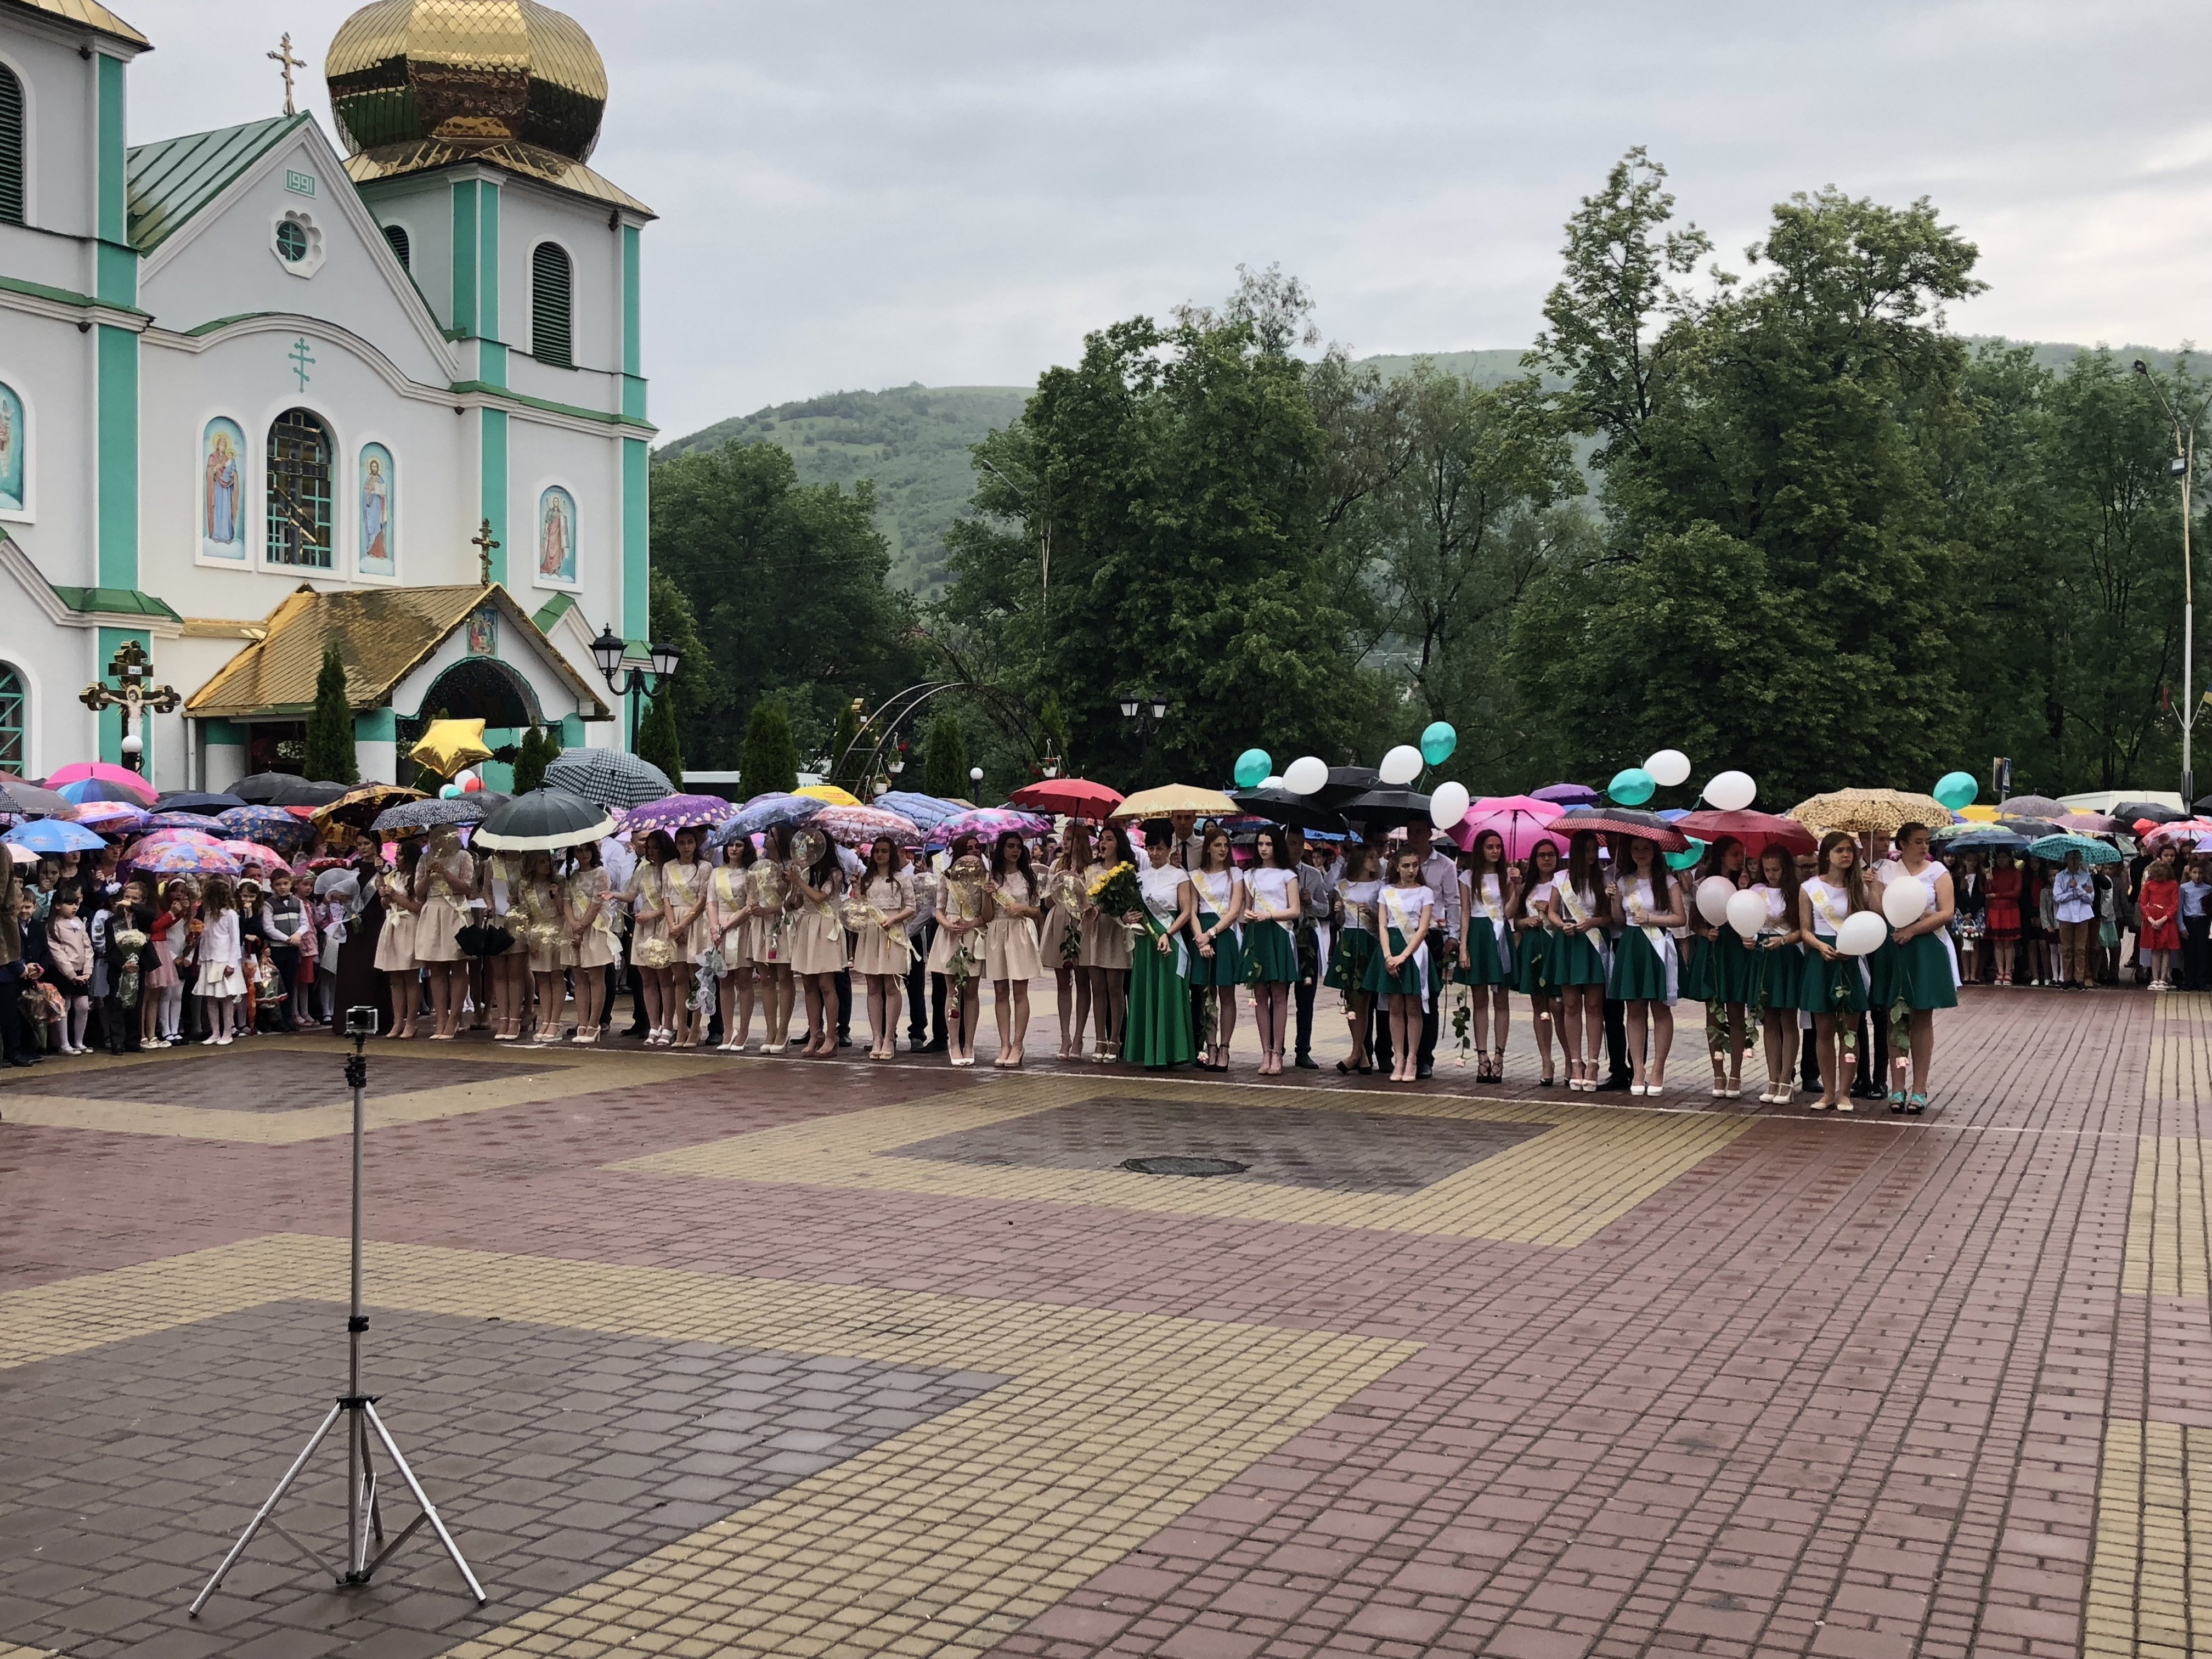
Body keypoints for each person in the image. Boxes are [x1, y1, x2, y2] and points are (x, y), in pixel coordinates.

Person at [1883, 822, 1957, 1114]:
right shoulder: (1886, 871)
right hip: (1893, 946)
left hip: (1926, 947)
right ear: (1901, 844)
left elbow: (1947, 912)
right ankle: (1897, 1088)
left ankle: (1919, 1089)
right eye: (1917, 842)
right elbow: (1879, 908)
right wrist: (1871, 887)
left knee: (1922, 1017)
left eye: (1927, 841)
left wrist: (1914, 929)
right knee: (1895, 1017)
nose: (1924, 847)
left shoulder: (1938, 871)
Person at [1798, 831, 1874, 1110]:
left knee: (1850, 1032)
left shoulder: (1859, 887)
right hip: (1823, 958)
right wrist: (1820, 946)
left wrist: (1874, 888)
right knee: (1824, 1031)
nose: (1846, 855)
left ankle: (1845, 1093)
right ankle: (1828, 1092)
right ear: (1826, 855)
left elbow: (1874, 917)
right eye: (1840, 850)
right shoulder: (1809, 888)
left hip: (1850, 957)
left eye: (1850, 851)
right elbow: (1805, 929)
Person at [1605, 836, 1681, 1096]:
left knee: (1661, 1010)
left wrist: (1651, 917)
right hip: (1631, 946)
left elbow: (1680, 918)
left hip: (1657, 946)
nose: (1640, 853)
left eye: (1646, 848)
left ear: (1655, 851)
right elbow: (1617, 920)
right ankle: (1638, 1069)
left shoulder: (1668, 882)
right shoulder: (1624, 882)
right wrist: (1615, 899)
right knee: (1634, 1010)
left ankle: (1658, 1068)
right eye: (1636, 849)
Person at [1121, 819, 1196, 1068]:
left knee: (1170, 991)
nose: (1154, 854)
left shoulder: (1179, 875)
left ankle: (1172, 1052)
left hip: (1170, 938)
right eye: (1151, 848)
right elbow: (1131, 910)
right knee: (1147, 991)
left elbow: (1186, 911)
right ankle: (1149, 1052)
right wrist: (1126, 917)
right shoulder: (1138, 877)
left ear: (1168, 848)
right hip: (1146, 941)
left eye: (1160, 849)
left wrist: (1168, 933)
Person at [1543, 831, 1610, 1092]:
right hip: (1569, 943)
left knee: (1594, 1005)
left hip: (1594, 942)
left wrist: (1592, 922)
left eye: (1595, 850)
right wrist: (1562, 925)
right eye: (1588, 850)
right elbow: (1552, 911)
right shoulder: (1561, 878)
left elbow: (1610, 918)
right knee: (1570, 1005)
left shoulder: (1604, 878)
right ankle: (1576, 1062)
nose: (1593, 855)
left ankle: (1593, 1064)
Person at [1692, 837, 1757, 1098]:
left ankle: (1736, 1074)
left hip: (1739, 950)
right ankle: (1718, 1073)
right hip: (1714, 950)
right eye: (1733, 854)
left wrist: (1744, 890)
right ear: (1720, 856)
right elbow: (1694, 921)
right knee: (1714, 1012)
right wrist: (1705, 932)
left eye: (1742, 853)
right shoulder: (1706, 884)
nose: (1739, 859)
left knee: (1737, 1011)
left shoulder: (1751, 883)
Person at [1368, 847, 1436, 1084]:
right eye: (1406, 866)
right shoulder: (1386, 892)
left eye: (1415, 865)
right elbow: (1383, 926)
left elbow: (1424, 928)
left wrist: (1403, 957)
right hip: (1391, 948)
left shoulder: (1425, 892)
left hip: (1414, 952)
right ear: (1397, 866)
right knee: (1394, 1007)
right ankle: (1398, 1058)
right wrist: (1388, 956)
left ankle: (1413, 1059)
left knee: (1413, 1007)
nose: (1410, 870)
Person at [1456, 828, 1517, 1084]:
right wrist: (1463, 947)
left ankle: (1499, 1057)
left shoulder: (1508, 876)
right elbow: (1466, 913)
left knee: (1501, 1000)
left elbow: (1510, 912)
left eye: (1499, 847)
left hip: (1501, 934)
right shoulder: (1468, 877)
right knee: (1479, 1000)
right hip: (1479, 936)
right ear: (1480, 849)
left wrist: (1518, 887)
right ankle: (1482, 1058)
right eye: (1490, 847)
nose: (1495, 851)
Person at [1242, 826, 1302, 1077]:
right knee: (1259, 996)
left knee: (1279, 996)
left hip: (1278, 934)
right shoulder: (1250, 875)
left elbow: (1295, 911)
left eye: (1268, 844)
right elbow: (1246, 909)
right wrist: (1247, 915)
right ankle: (1265, 1051)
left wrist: (1269, 914)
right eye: (1260, 844)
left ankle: (1278, 1052)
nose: (1264, 848)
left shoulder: (1288, 875)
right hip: (1257, 935)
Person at [1747, 846, 1805, 1104]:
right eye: (1767, 869)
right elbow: (1745, 921)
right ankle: (1772, 1079)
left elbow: (1804, 929)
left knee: (1787, 1018)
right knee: (1769, 1018)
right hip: (1762, 955)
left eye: (1777, 870)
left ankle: (1786, 1079)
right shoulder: (1754, 891)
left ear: (1786, 868)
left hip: (1788, 954)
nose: (1772, 875)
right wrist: (1745, 938)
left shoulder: (1796, 892)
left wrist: (1784, 941)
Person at [1186, 826, 1245, 1072]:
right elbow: (1192, 910)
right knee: (1207, 993)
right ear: (1208, 848)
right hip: (1202, 932)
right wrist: (1200, 937)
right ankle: (1210, 1046)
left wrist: (1211, 935)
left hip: (1224, 932)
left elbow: (1234, 911)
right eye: (1218, 845)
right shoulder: (1195, 875)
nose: (1223, 849)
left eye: (1225, 845)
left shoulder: (1236, 874)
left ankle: (1225, 1047)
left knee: (1227, 993)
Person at [850, 836, 915, 1060]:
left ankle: (890, 1037)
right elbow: (860, 906)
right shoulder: (867, 879)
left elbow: (912, 907)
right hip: (871, 931)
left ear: (892, 853)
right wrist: (857, 889)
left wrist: (895, 919)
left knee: (891, 984)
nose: (880, 855)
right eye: (877, 851)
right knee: (872, 986)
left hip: (892, 932)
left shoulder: (901, 879)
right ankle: (876, 1036)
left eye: (884, 851)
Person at [983, 829, 1043, 1068]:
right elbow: (986, 917)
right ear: (1001, 849)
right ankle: (1004, 1043)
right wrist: (988, 895)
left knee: (1020, 991)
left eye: (1018, 846)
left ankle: (1018, 1043)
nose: (1015, 850)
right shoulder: (992, 878)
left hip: (1019, 932)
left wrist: (1023, 909)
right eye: (1010, 846)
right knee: (1000, 991)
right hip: (997, 932)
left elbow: (1039, 910)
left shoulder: (1029, 877)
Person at [928, 836, 989, 1066]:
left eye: (977, 848)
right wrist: (947, 925)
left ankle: (969, 1043)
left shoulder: (985, 878)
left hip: (973, 934)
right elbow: (939, 909)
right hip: (951, 934)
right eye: (969, 848)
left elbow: (987, 914)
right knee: (952, 990)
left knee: (971, 990)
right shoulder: (947, 876)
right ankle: (954, 1043)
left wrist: (973, 923)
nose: (973, 852)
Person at [787, 833, 850, 1058]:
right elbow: (796, 903)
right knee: (808, 984)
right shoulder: (804, 872)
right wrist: (791, 888)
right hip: (807, 926)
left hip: (825, 928)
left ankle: (833, 1035)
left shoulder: (835, 874)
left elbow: (820, 898)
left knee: (826, 984)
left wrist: (799, 882)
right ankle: (816, 1033)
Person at [1508, 839, 1562, 1086]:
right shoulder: (1527, 887)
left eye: (1551, 854)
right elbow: (1515, 920)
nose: (1546, 859)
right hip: (1533, 945)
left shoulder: (1563, 882)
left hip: (1555, 945)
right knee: (1538, 1005)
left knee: (1559, 1005)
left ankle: (1572, 1058)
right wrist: (1527, 921)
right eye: (1541, 855)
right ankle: (1546, 1060)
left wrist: (1551, 913)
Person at [1325, 842, 1382, 1075]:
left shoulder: (1381, 887)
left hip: (1369, 941)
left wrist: (1372, 913)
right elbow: (1338, 922)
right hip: (1349, 939)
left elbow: (1383, 920)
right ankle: (1361, 1054)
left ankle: (1357, 1053)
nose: (1376, 862)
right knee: (1351, 999)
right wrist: (1338, 911)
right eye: (1371, 857)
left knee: (1365, 1000)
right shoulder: (1342, 887)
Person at [413, 826, 473, 1040]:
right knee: (436, 968)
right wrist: (429, 875)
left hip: (455, 911)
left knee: (458, 965)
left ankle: (454, 1018)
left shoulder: (463, 856)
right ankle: (440, 1019)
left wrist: (445, 873)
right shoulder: (425, 859)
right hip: (433, 910)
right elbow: (419, 893)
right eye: (435, 836)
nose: (439, 840)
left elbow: (467, 888)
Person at [1081, 823, 1135, 1063]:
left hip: (1117, 932)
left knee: (1116, 988)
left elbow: (1132, 902)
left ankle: (1116, 1039)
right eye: (1102, 839)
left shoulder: (1127, 871)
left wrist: (1119, 912)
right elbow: (1082, 900)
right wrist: (1086, 908)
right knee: (1098, 988)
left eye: (1110, 839)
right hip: (1095, 931)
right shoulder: (1090, 871)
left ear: (1119, 843)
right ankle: (1099, 1038)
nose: (1104, 843)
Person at [1284, 827, 1334, 1070]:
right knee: (1278, 995)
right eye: (1291, 843)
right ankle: (1275, 1046)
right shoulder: (1274, 874)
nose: (1295, 848)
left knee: (1306, 997)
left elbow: (1326, 911)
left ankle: (1303, 1049)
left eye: (1300, 843)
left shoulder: (1313, 875)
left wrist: (1310, 902)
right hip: (1283, 936)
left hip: (1305, 936)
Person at [1043, 824, 1093, 1062]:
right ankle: (1064, 1036)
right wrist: (1060, 885)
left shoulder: (1091, 869)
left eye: (1071, 839)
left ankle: (1079, 1036)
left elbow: (1090, 899)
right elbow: (1048, 902)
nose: (1066, 843)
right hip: (1060, 919)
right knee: (1063, 982)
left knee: (1083, 981)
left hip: (1081, 922)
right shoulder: (1056, 865)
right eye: (1065, 838)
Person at [706, 834, 759, 1053]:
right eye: (730, 845)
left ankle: (744, 1031)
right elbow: (711, 901)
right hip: (720, 929)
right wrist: (714, 927)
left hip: (741, 927)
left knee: (744, 980)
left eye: (739, 845)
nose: (734, 849)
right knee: (724, 981)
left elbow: (751, 905)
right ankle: (728, 1030)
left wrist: (728, 925)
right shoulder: (716, 873)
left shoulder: (752, 873)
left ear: (745, 848)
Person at [512, 851, 572, 1045]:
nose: (546, 865)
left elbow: (565, 911)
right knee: (542, 979)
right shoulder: (525, 886)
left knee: (556, 976)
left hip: (557, 931)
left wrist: (557, 896)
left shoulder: (560, 882)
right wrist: (529, 939)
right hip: (537, 933)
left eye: (548, 861)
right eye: (541, 862)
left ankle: (556, 1021)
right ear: (532, 865)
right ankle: (546, 1020)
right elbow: (525, 913)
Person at [662, 827, 713, 1048]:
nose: (686, 847)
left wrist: (684, 925)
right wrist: (674, 926)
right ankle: (680, 1027)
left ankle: (695, 1027)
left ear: (696, 844)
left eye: (690, 842)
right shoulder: (668, 867)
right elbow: (666, 898)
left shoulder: (705, 867)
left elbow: (702, 901)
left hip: (694, 921)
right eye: (681, 842)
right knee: (679, 979)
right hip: (673, 921)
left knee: (696, 980)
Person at [564, 840, 619, 1045]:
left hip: (595, 927)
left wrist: (582, 926)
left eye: (588, 849)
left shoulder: (601, 873)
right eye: (579, 850)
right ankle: (582, 1022)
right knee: (579, 978)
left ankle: (595, 1024)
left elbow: (598, 902)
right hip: (574, 927)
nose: (584, 854)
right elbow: (567, 902)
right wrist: (573, 925)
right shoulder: (572, 876)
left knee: (596, 977)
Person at [375, 840, 422, 1037]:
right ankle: (398, 1021)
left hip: (409, 924)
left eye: (401, 854)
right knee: (395, 978)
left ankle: (412, 1021)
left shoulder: (417, 877)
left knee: (410, 976)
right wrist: (385, 896)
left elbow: (417, 907)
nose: (397, 857)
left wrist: (395, 895)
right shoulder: (391, 876)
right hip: (393, 925)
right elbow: (386, 905)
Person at [193, 874, 245, 1046]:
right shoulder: (208, 914)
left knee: (226, 998)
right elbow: (206, 938)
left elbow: (235, 940)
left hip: (224, 960)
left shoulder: (230, 914)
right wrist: (201, 958)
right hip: (209, 959)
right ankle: (215, 1032)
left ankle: (227, 1032)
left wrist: (232, 963)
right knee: (211, 998)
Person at [41, 885, 92, 1054]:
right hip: (64, 972)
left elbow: (88, 946)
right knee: (65, 1006)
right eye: (69, 904)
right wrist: (70, 974)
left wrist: (88, 970)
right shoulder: (53, 926)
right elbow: (57, 954)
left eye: (76, 904)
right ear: (57, 905)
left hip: (81, 972)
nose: (74, 908)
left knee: (84, 1006)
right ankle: (64, 1043)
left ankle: (79, 1041)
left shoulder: (78, 922)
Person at [903, 847, 943, 1053]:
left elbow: (928, 908)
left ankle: (918, 1031)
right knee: (883, 985)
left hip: (914, 934)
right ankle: (884, 1033)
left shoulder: (920, 873)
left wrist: (909, 931)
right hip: (890, 934)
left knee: (916, 987)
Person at [2052, 848, 2097, 991]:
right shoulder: (2060, 876)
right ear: (2066, 860)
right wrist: (2072, 894)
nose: (2075, 861)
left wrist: (2078, 888)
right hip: (2066, 915)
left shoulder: (2086, 876)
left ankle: (2080, 978)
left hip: (2083, 915)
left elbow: (2090, 898)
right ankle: (2067, 978)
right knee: (2067, 948)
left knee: (2080, 948)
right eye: (2072, 858)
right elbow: (2058, 897)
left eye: (2077, 858)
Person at [2141, 853, 2182, 990]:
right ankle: (2155, 978)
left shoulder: (2173, 884)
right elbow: (2143, 904)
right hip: (2154, 917)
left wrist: (2162, 919)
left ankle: (2163, 979)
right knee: (2155, 949)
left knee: (2166, 950)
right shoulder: (2148, 885)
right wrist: (2151, 919)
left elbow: (2175, 905)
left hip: (2165, 919)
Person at [1953, 850, 1987, 985]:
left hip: (1977, 914)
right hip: (1962, 914)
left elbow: (1981, 897)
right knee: (1964, 944)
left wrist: (1972, 912)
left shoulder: (1982, 877)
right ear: (1964, 861)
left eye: (1974, 860)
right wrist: (1964, 912)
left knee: (1975, 943)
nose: (1972, 863)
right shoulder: (1958, 877)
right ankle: (1966, 974)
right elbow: (1957, 895)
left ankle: (1973, 974)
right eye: (1969, 860)